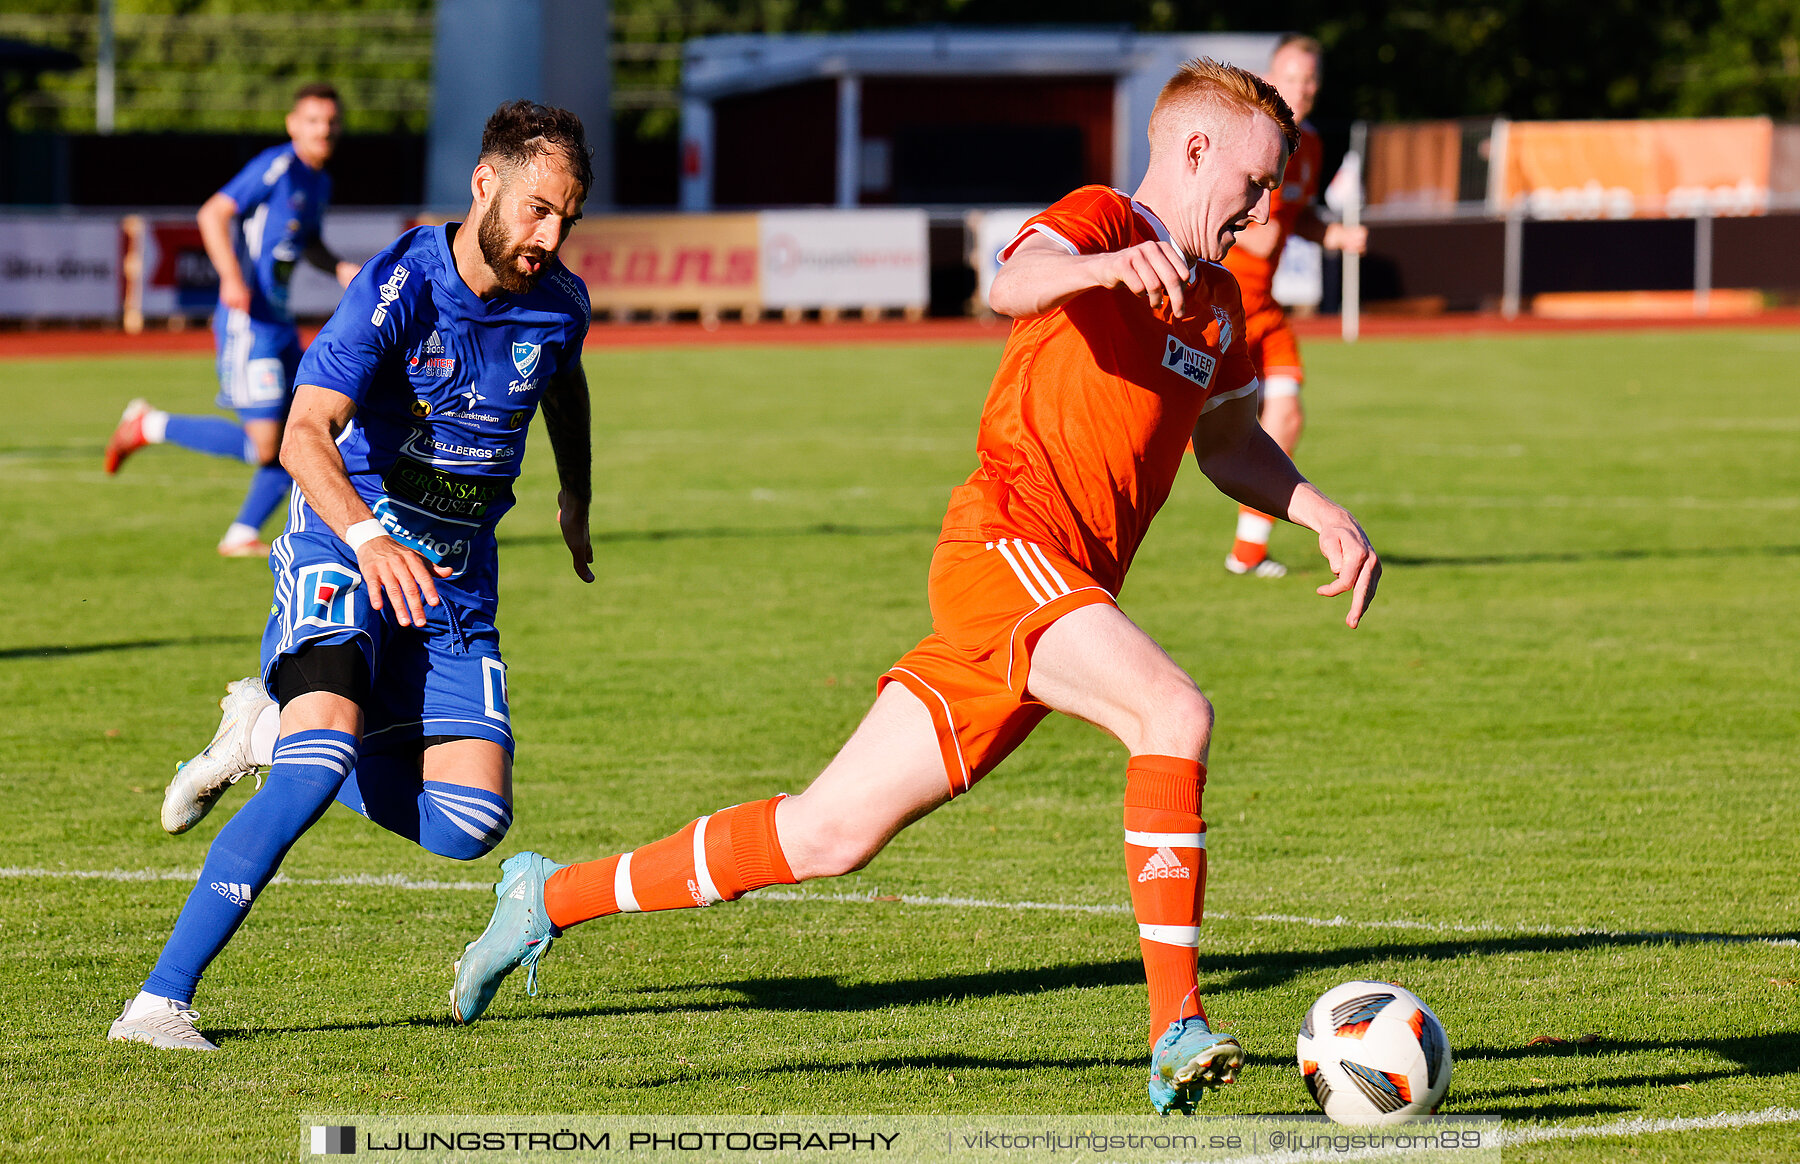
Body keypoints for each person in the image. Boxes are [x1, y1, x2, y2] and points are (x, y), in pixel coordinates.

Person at [448, 60, 1381, 1116]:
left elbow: (1222, 437)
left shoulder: (1213, 300)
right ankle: (1176, 1026)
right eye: (1256, 184)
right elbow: (1011, 277)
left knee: (825, 835)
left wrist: (1314, 509)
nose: (1264, 213)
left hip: (1058, 596)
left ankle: (546, 898)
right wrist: (1106, 271)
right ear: (1197, 149)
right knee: (1172, 711)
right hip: (1007, 551)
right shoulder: (1102, 220)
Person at [106, 100, 598, 1052]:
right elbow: (301, 432)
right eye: (538, 209)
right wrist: (369, 535)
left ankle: (266, 730)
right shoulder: (398, 285)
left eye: (567, 218)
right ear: (484, 184)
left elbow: (564, 381)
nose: (550, 235)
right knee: (325, 750)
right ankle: (158, 1005)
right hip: (346, 545)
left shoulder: (561, 302)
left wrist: (575, 496)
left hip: (454, 583)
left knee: (469, 821)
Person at [104, 82, 361, 558]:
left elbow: (308, 244)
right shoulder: (277, 165)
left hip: (281, 324)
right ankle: (148, 425)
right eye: (312, 120)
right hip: (249, 323)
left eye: (330, 121)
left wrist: (341, 268)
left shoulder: (318, 181)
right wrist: (229, 277)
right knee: (268, 445)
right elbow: (213, 212)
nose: (322, 130)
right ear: (292, 125)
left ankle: (242, 533)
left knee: (309, 430)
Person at [1220, 35, 1368, 579]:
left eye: (1310, 80)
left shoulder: (1311, 145)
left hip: (1266, 306)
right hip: (1220, 304)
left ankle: (1247, 553)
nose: (1301, 89)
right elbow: (1252, 228)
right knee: (1191, 425)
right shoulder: (1246, 137)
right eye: (1291, 76)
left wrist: (1334, 236)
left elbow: (1295, 219)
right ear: (1268, 76)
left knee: (1287, 414)